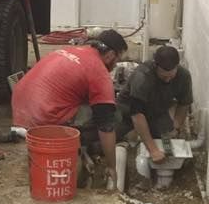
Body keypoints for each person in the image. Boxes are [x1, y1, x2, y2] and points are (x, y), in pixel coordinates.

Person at [11, 29, 128, 183]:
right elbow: (105, 125)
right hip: (45, 120)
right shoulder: (98, 72)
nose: (115, 65)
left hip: (21, 109)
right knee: (114, 115)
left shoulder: (71, 50)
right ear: (110, 55)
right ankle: (78, 145)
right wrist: (112, 166)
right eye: (117, 59)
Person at [117, 45, 193, 163]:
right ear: (155, 65)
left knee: (166, 137)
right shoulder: (142, 77)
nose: (167, 80)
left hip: (156, 112)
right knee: (107, 139)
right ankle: (128, 140)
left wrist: (176, 127)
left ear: (177, 67)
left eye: (171, 76)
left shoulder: (184, 76)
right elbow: (137, 114)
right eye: (164, 76)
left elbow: (184, 103)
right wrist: (153, 151)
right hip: (127, 110)